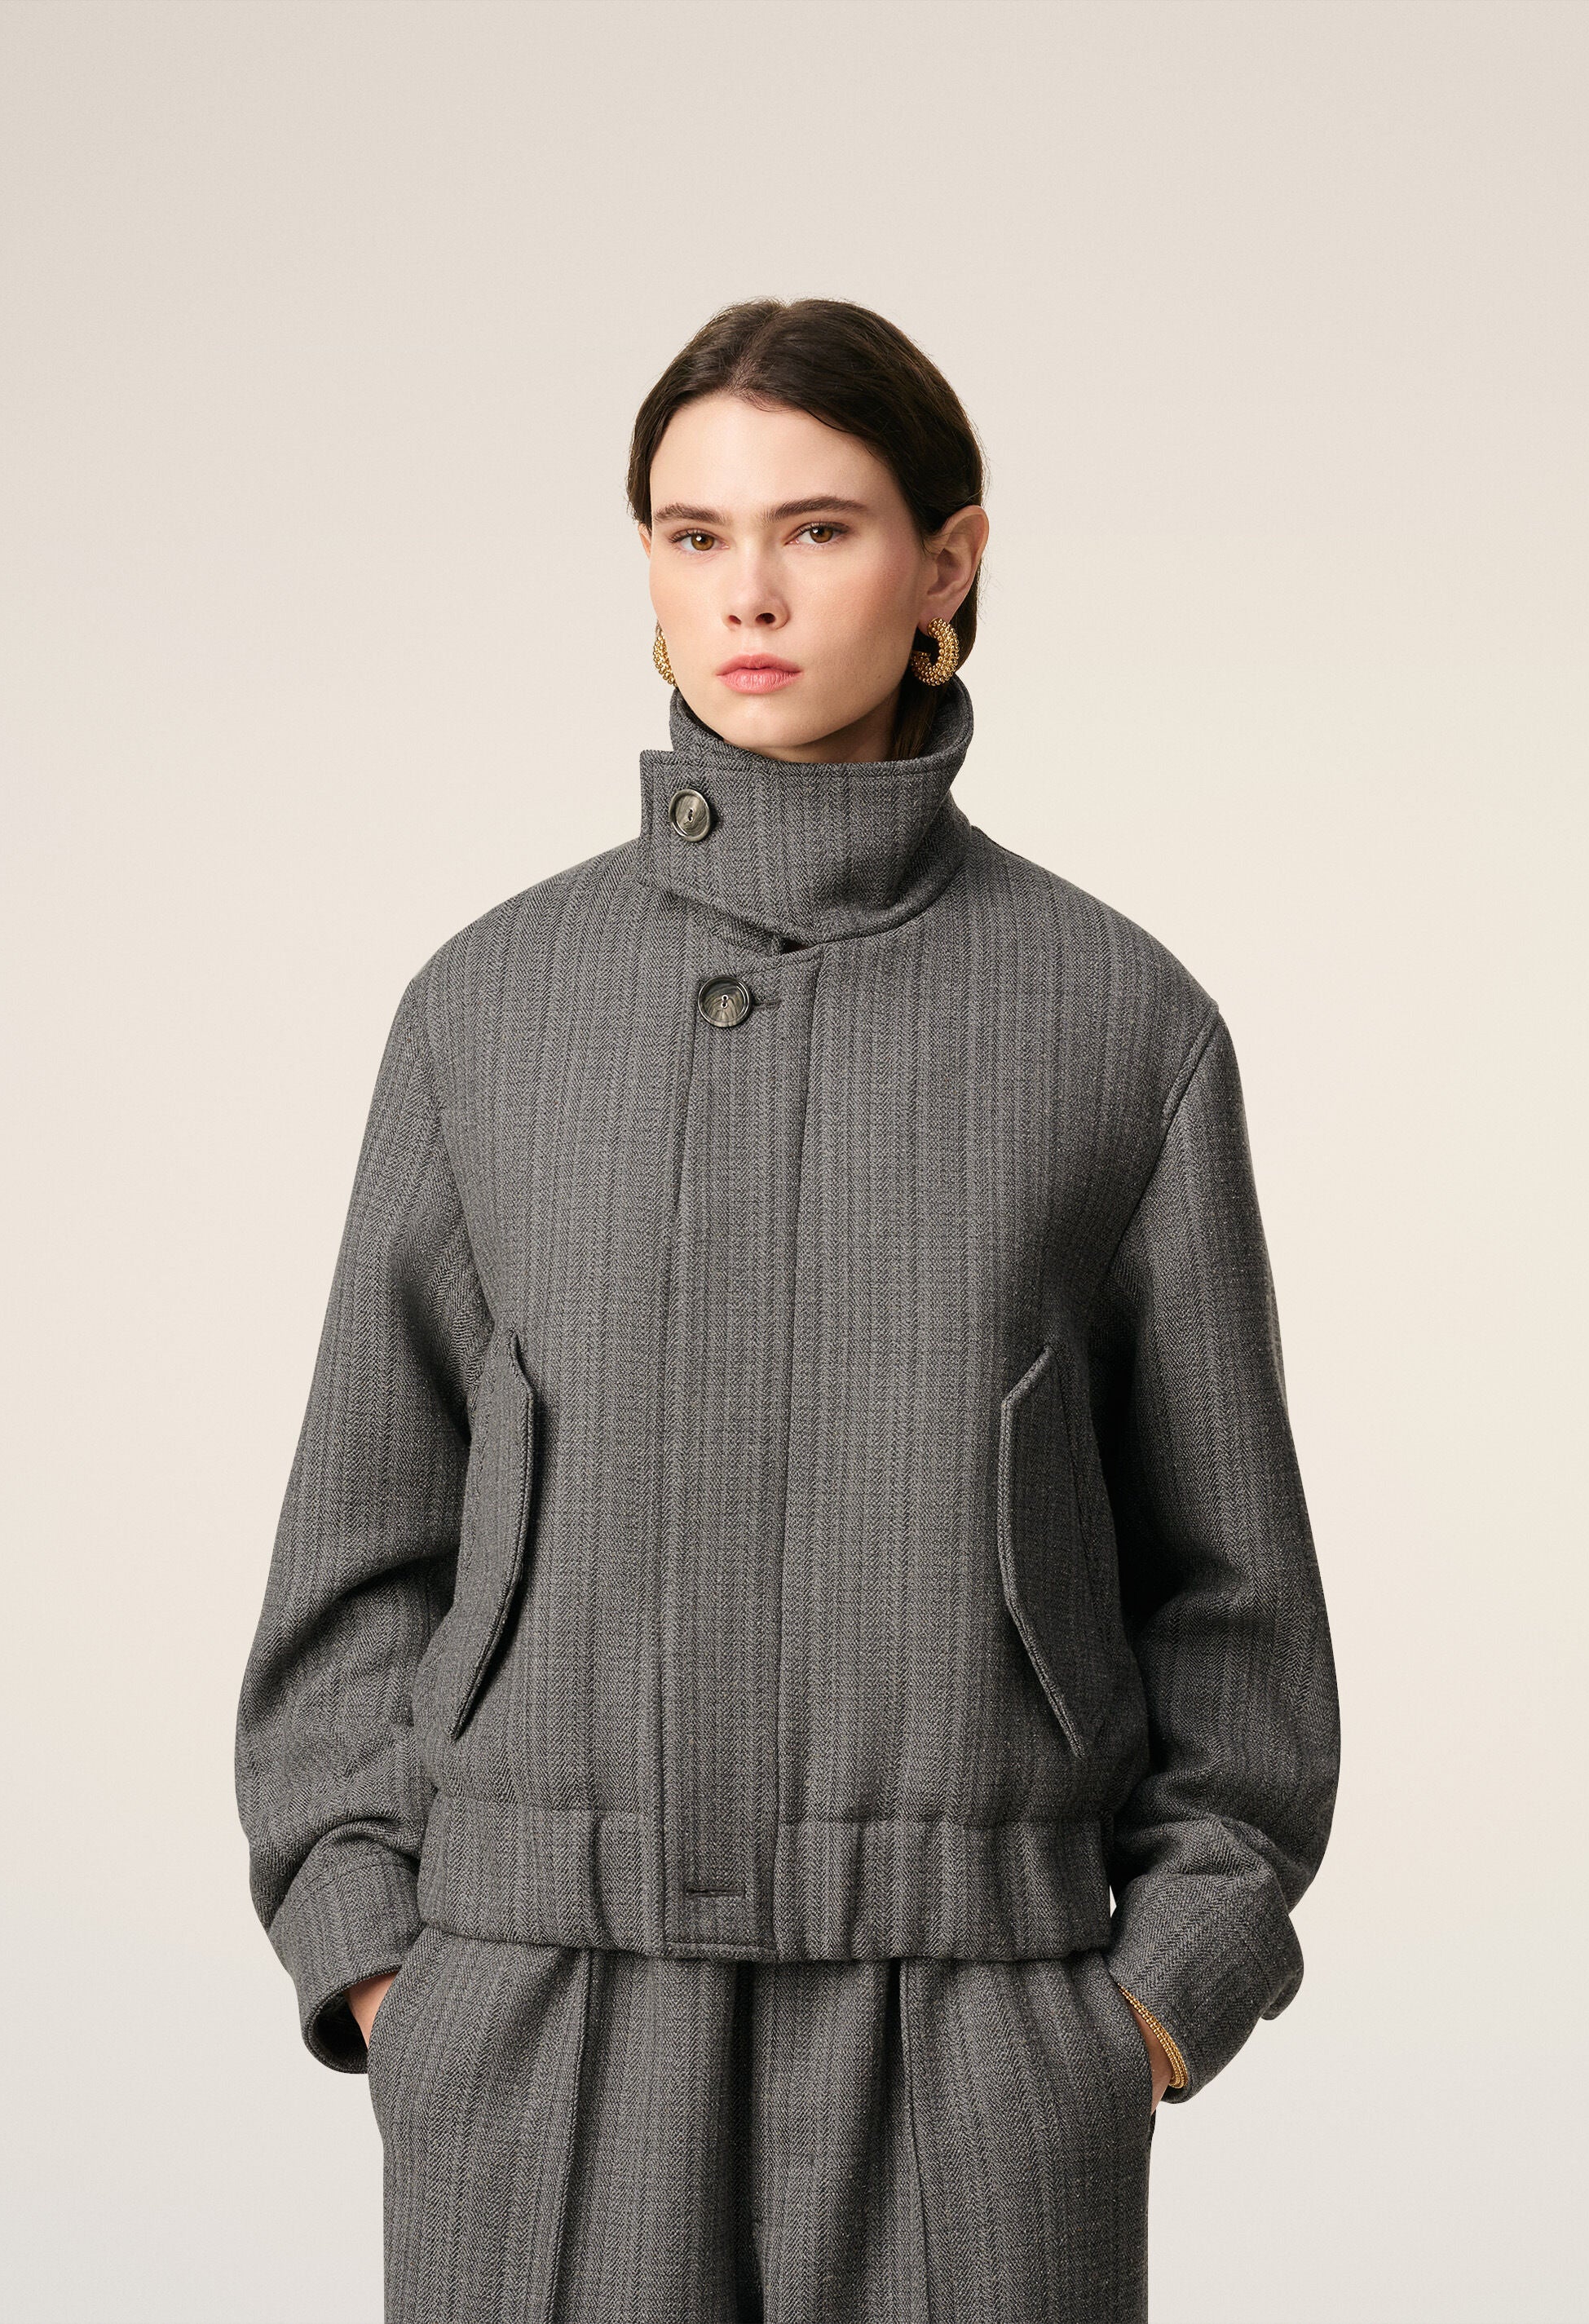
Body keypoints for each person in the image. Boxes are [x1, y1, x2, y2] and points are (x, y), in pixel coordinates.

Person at [234, 295, 1340, 2324]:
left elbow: (1234, 1601)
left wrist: (1143, 2015)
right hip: (543, 2030)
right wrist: (389, 1971)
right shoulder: (487, 1010)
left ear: (947, 567)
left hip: (974, 2041)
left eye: (818, 529)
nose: (747, 591)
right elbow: (353, 1564)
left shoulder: (1119, 1023)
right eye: (693, 534)